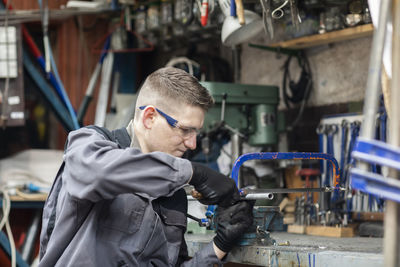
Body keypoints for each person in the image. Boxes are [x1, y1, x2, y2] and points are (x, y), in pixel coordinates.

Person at [39, 67, 253, 267]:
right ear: (150, 117)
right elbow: (99, 174)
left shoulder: (173, 196)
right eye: (185, 130)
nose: (192, 144)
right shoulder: (89, 145)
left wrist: (220, 246)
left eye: (196, 133)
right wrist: (193, 173)